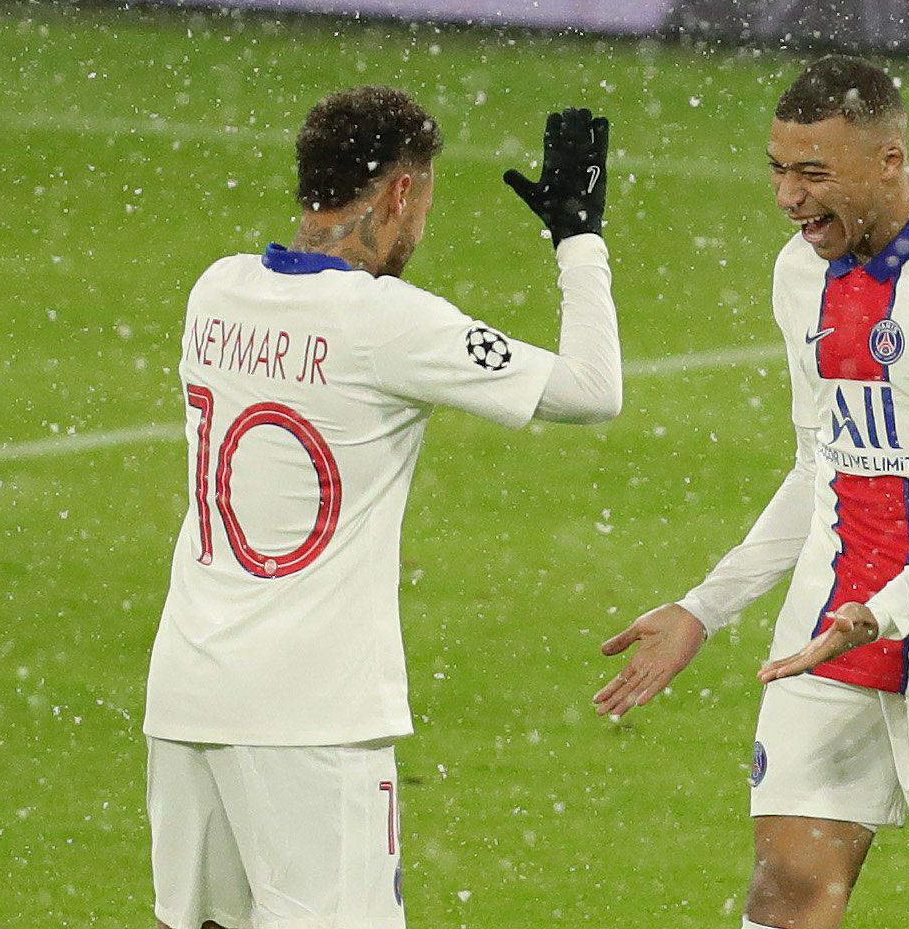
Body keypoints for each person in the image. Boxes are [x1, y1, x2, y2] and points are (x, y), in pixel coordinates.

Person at [596, 56, 909, 929]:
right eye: (778, 169)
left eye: (814, 174)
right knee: (788, 891)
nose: (788, 197)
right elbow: (824, 463)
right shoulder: (798, 272)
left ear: (889, 160)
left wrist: (889, 608)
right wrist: (705, 606)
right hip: (832, 616)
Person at [143, 86, 619, 929]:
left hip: (187, 691)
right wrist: (578, 239)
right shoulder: (388, 322)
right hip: (311, 712)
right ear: (400, 192)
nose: (422, 226)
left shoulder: (213, 291)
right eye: (424, 200)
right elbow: (593, 390)